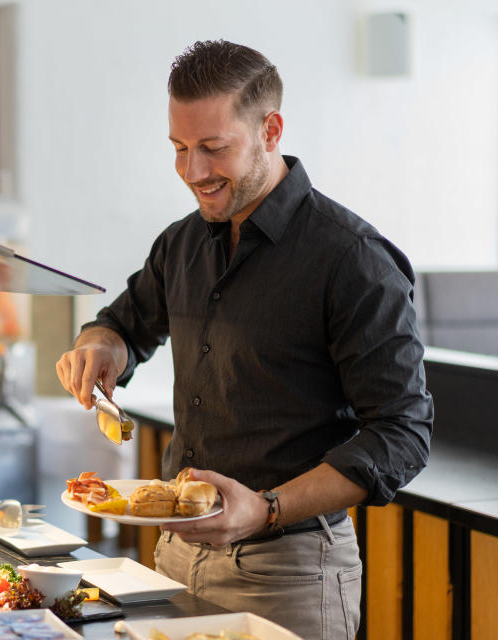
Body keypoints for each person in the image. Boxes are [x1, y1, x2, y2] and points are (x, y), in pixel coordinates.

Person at [55, 39, 433, 639]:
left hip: (290, 570)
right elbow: (123, 324)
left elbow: (403, 431)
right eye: (179, 149)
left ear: (271, 129)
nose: (194, 172)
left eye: (213, 148)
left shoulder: (353, 258)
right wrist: (101, 344)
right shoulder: (180, 243)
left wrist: (267, 507)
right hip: (177, 557)